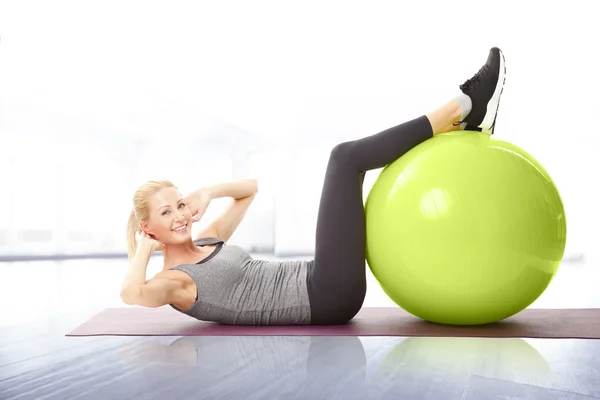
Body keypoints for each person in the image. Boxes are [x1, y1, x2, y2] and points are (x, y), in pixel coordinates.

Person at [121, 47, 507, 326]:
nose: (178, 216)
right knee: (344, 158)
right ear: (148, 226)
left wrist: (207, 191)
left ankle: (463, 120)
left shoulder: (206, 241)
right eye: (165, 212)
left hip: (319, 277)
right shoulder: (174, 283)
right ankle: (464, 106)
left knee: (350, 165)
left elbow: (249, 189)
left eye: (178, 204)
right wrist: (144, 249)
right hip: (324, 296)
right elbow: (131, 295)